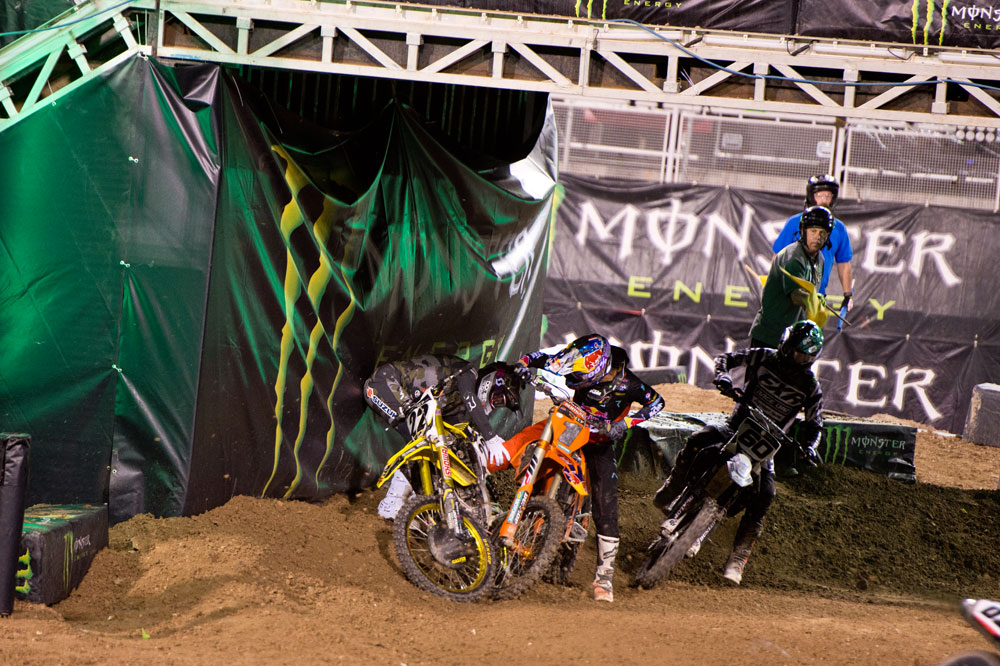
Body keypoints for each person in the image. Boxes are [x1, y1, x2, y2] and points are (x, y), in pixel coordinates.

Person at [652, 320, 825, 585]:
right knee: (699, 440)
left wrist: (810, 448)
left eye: (805, 357)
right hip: (736, 426)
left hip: (767, 447)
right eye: (796, 352)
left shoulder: (811, 386)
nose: (798, 360)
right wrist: (723, 376)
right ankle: (673, 487)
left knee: (765, 495)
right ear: (785, 344)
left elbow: (815, 424)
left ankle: (739, 556)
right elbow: (725, 359)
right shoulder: (764, 356)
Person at [512, 334, 665, 603]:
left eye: (581, 377)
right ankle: (515, 525)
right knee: (536, 463)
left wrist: (624, 424)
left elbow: (657, 402)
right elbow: (539, 358)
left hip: (600, 443)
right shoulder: (580, 359)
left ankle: (604, 576)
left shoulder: (629, 384)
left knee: (606, 501)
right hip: (572, 430)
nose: (576, 379)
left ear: (600, 367)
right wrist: (522, 365)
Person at [364, 354, 521, 519]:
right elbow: (470, 397)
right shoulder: (468, 373)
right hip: (384, 383)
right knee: (420, 437)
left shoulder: (459, 407)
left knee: (439, 445)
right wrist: (491, 437)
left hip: (408, 398)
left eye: (500, 403)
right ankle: (393, 502)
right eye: (498, 398)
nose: (495, 404)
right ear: (491, 382)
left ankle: (412, 504)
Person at [750, 205, 832, 349]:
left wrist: (817, 300)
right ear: (803, 231)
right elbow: (796, 296)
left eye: (822, 233)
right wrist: (813, 300)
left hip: (791, 339)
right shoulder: (793, 257)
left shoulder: (820, 259)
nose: (818, 237)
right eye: (813, 231)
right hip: (770, 337)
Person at [772, 174, 854, 312]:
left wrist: (847, 294)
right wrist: (773, 286)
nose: (824, 200)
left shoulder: (839, 228)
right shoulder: (794, 223)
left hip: (817, 296)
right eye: (819, 195)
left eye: (828, 196)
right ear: (811, 196)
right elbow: (777, 257)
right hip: (790, 294)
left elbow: (844, 263)